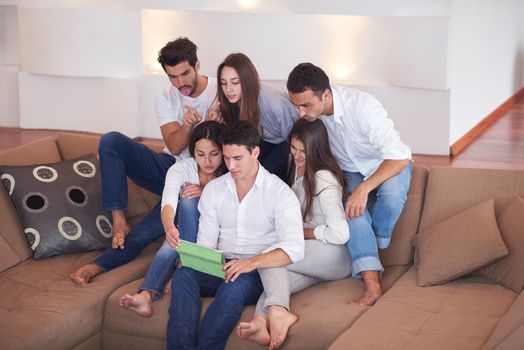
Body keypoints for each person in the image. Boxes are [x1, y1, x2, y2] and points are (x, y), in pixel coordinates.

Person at [69, 37, 219, 285]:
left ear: (197, 65)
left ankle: (96, 266)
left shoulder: (219, 90)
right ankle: (118, 221)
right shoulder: (164, 97)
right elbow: (174, 145)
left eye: (185, 74)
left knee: (146, 231)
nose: (180, 83)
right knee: (111, 141)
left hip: (203, 175)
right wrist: (187, 124)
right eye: (172, 77)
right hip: (170, 168)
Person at [166, 121, 304, 350]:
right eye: (227, 158)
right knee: (184, 276)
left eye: (238, 158)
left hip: (254, 271)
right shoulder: (214, 190)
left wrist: (249, 263)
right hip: (221, 266)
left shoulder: (279, 193)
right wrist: (195, 258)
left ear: (256, 152)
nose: (231, 165)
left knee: (234, 287)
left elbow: (295, 249)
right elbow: (206, 243)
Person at [286, 63, 412, 306]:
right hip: (351, 170)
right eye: (296, 105)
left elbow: (399, 156)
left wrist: (364, 189)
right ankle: (372, 285)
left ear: (326, 95)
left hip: (386, 162)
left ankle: (377, 241)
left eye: (305, 105)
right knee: (353, 214)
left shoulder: (363, 107)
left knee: (392, 194)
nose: (300, 112)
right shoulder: (313, 115)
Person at [237, 119, 352, 349]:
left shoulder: (323, 178)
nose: (298, 156)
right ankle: (263, 320)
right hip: (314, 261)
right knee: (279, 284)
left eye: (304, 151)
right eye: (294, 148)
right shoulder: (297, 168)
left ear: (316, 149)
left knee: (271, 256)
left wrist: (303, 232)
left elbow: (341, 234)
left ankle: (274, 315)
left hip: (333, 255)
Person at [118, 121, 226, 317]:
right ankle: (146, 295)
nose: (207, 161)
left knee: (187, 203)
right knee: (175, 235)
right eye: (200, 154)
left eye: (214, 154)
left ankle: (164, 281)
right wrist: (169, 228)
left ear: (223, 151)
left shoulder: (231, 171)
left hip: (218, 238)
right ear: (193, 151)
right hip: (187, 232)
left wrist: (205, 192)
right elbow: (168, 202)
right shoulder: (182, 168)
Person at [216, 52, 299, 179]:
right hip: (261, 139)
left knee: (262, 174)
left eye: (235, 82)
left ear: (247, 80)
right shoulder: (229, 101)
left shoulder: (274, 102)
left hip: (285, 141)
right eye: (223, 83)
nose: (228, 89)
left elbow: (295, 138)